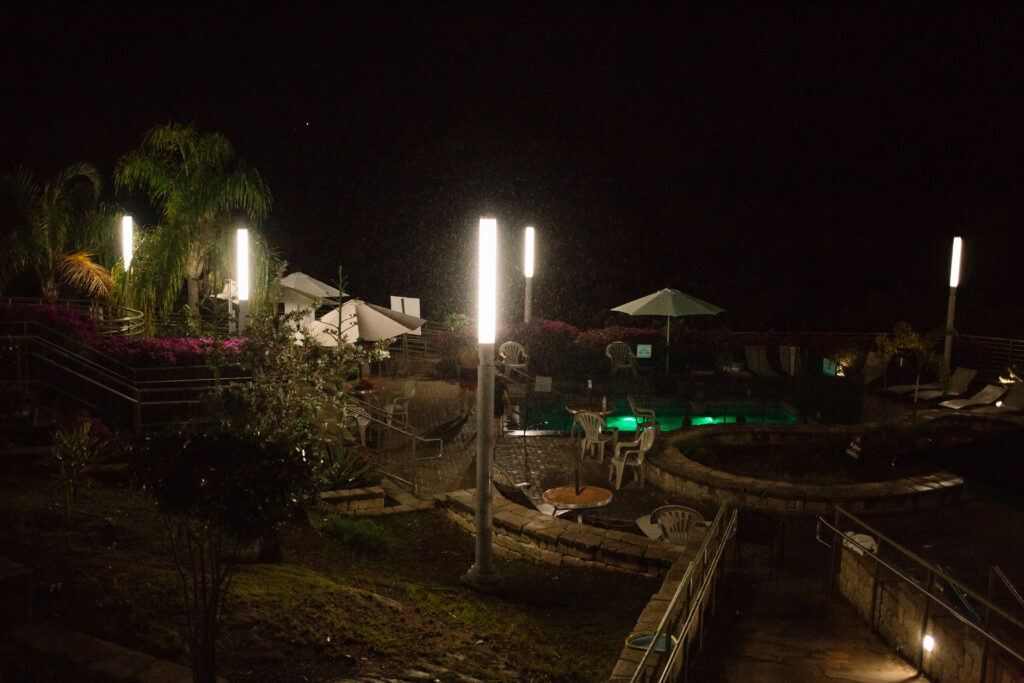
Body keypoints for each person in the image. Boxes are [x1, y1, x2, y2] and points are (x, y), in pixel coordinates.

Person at [456, 335, 477, 418]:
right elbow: (457, 360)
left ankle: (466, 409)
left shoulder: (464, 351)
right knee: (465, 391)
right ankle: (465, 409)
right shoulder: (475, 351)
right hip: (468, 371)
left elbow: (457, 360)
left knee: (466, 392)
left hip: (469, 371)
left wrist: (458, 370)